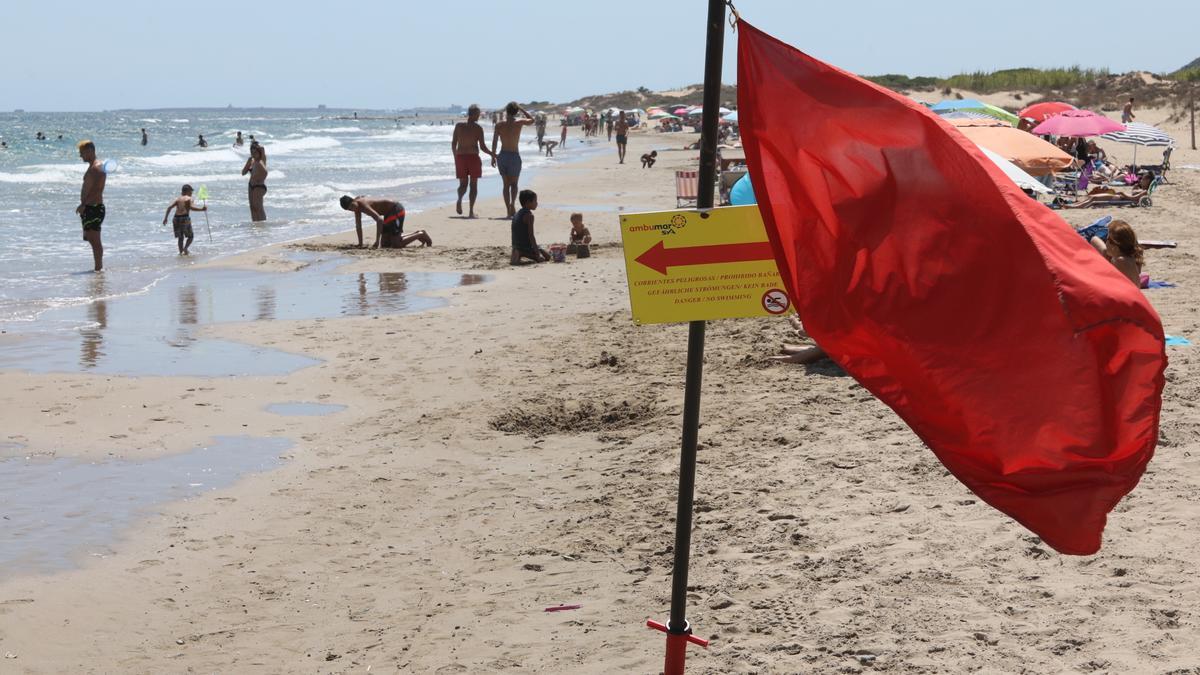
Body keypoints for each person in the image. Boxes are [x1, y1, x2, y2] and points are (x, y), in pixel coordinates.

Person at [491, 101, 535, 219]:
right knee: (514, 184)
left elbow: (494, 141)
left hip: (503, 155)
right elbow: (532, 120)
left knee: (506, 185)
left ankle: (507, 210)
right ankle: (512, 204)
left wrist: (493, 156)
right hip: (514, 155)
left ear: (506, 111)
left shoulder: (500, 125)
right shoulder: (519, 122)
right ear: (516, 112)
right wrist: (522, 109)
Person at [451, 104, 494, 219]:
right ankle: (470, 211)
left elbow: (453, 143)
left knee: (463, 184)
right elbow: (483, 147)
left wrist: (456, 157)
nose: (479, 116)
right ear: (474, 114)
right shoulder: (478, 128)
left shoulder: (459, 126)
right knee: (473, 185)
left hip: (460, 157)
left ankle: (460, 199)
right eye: (478, 114)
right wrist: (493, 155)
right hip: (473, 157)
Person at [339, 195, 431, 249]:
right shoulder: (357, 208)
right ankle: (415, 233)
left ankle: (420, 234)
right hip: (388, 214)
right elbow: (358, 226)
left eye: (352, 206)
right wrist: (360, 244)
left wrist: (376, 241)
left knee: (396, 244)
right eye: (350, 209)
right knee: (385, 244)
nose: (353, 209)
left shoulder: (362, 204)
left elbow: (379, 220)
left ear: (354, 200)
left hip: (396, 209)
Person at [75, 140, 106, 272]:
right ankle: (98, 267)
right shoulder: (95, 166)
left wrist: (84, 205)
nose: (80, 156)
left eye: (82, 153)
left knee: (95, 241)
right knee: (90, 237)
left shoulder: (95, 168)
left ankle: (98, 269)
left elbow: (96, 191)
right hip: (92, 207)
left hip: (93, 207)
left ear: (90, 151)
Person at [1086, 219, 1142, 287]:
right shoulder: (1129, 258)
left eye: (1108, 239)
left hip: (1125, 296)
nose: (1106, 242)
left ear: (1115, 246)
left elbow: (1108, 283)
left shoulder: (1120, 261)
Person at [162, 184, 207, 255]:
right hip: (184, 218)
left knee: (180, 238)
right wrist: (202, 209)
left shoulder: (178, 199)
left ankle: (180, 252)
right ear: (188, 191)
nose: (191, 193)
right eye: (191, 191)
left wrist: (165, 218)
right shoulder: (189, 198)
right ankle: (185, 248)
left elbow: (169, 208)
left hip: (176, 218)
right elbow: (191, 208)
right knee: (191, 236)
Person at [511, 189, 549, 264]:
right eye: (535, 201)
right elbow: (531, 236)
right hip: (524, 246)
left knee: (539, 250)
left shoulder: (517, 213)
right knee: (547, 257)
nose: (537, 203)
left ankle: (517, 251)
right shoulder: (529, 216)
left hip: (515, 245)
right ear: (528, 202)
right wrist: (538, 254)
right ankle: (521, 253)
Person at [241, 143, 268, 222]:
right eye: (252, 152)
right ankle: (255, 225)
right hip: (251, 186)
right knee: (252, 207)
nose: (253, 154)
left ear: (259, 152)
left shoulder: (262, 159)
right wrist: (249, 164)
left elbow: (265, 172)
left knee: (258, 207)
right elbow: (243, 172)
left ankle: (262, 223)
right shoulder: (251, 160)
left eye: (255, 152)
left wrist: (256, 145)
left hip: (259, 186)